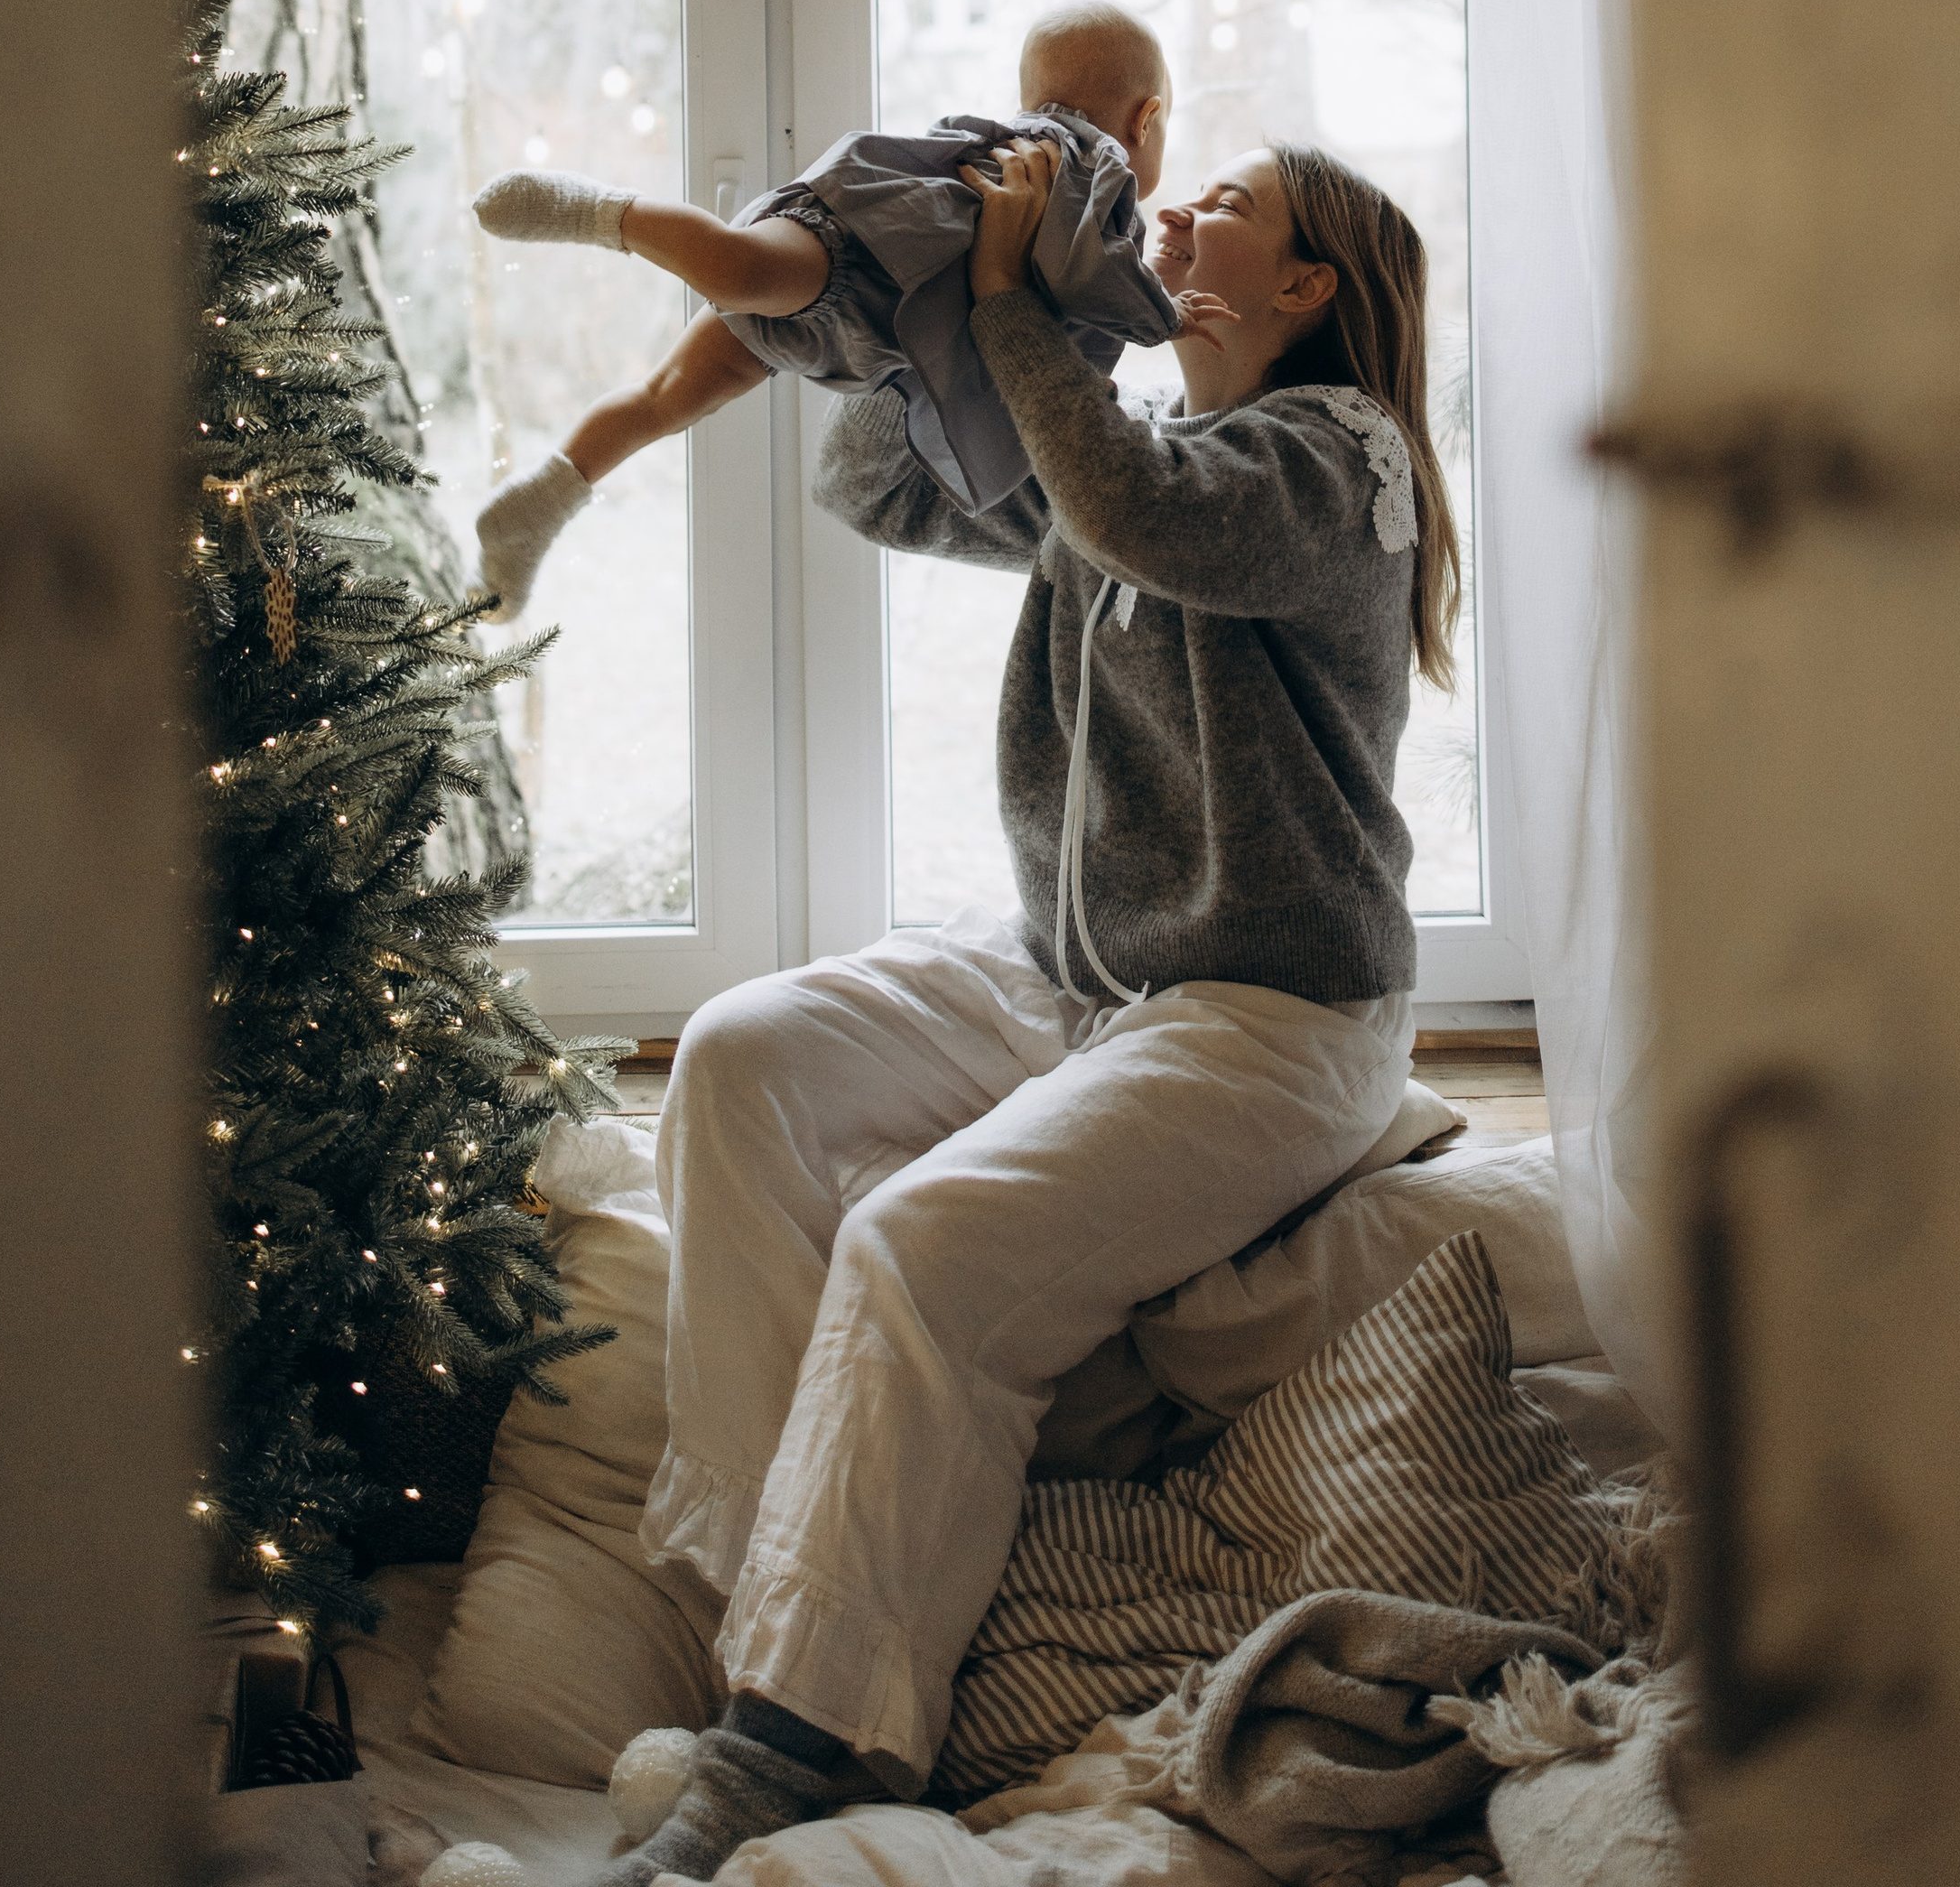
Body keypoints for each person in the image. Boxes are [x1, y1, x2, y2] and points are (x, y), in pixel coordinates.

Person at [594, 133, 1463, 1884]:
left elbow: (1145, 514)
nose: (1180, 213)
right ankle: (755, 1619)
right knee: (741, 1057)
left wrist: (1012, 305)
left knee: (925, 1246)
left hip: (1274, 1011)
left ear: (1306, 286)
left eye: (1225, 208)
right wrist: (912, 296)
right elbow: (879, 482)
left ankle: (802, 1749)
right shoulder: (1122, 445)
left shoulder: (1333, 460)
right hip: (1081, 981)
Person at [468, 1, 1181, 616]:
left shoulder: (1026, 143)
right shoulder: (1096, 168)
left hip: (868, 327)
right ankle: (595, 209)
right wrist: (1166, 317)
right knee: (737, 273)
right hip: (864, 258)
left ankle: (550, 496)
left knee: (670, 394)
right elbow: (1098, 278)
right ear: (1145, 119)